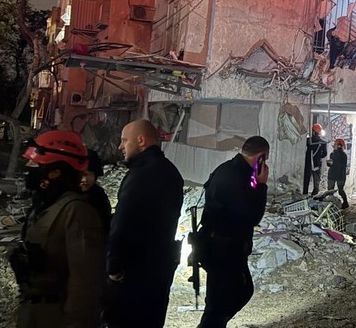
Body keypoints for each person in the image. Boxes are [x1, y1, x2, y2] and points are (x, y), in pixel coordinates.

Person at [9, 131, 104, 328]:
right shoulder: (46, 204)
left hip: (58, 316)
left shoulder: (77, 212)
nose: (28, 169)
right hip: (35, 309)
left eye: (35, 165)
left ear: (55, 172)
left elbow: (85, 283)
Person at [104, 119, 185, 328]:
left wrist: (113, 265)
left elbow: (123, 223)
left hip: (134, 275)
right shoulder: (171, 172)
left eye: (124, 141)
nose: (120, 146)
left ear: (141, 141)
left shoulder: (141, 175)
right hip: (158, 272)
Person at [197, 135, 271, 328]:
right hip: (224, 249)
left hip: (221, 246)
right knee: (225, 300)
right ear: (261, 157)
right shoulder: (238, 177)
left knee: (228, 297)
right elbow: (253, 216)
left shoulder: (230, 169)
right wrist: (262, 185)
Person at [79, 149, 111, 232]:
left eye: (89, 174)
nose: (84, 179)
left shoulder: (99, 196)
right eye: (81, 174)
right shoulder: (64, 195)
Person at [317, 137, 350, 208]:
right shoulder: (343, 155)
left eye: (335, 145)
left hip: (334, 174)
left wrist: (329, 163)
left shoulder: (335, 154)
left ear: (338, 146)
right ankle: (344, 202)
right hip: (340, 175)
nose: (333, 146)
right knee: (340, 190)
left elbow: (332, 164)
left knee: (331, 190)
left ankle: (331, 203)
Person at [303, 123, 327, 196]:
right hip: (317, 162)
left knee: (306, 178)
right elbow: (324, 154)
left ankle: (305, 193)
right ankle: (315, 194)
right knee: (316, 179)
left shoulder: (308, 140)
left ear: (312, 131)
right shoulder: (323, 142)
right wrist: (318, 156)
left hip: (308, 162)